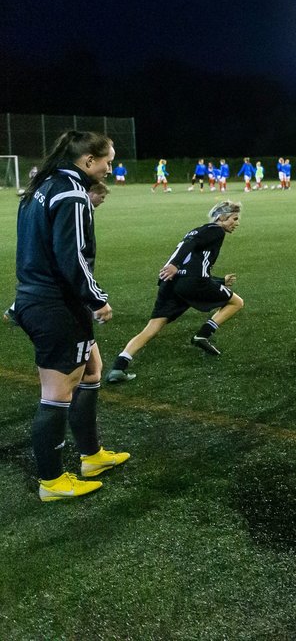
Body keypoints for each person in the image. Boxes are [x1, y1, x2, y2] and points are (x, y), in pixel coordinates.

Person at [12, 131, 130, 501]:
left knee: (93, 368)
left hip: (40, 299)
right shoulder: (72, 192)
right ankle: (51, 481)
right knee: (56, 393)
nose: (110, 168)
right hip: (56, 305)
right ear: (88, 160)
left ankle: (92, 456)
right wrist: (97, 300)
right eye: (107, 161)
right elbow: (71, 256)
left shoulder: (42, 186)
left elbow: (34, 249)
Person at [107, 200, 245, 383]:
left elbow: (192, 256)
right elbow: (191, 247)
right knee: (236, 302)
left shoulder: (199, 229)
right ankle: (202, 335)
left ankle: (119, 366)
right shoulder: (216, 230)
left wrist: (220, 281)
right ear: (222, 217)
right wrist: (174, 264)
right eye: (234, 219)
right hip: (192, 283)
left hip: (171, 282)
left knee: (153, 327)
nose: (237, 223)